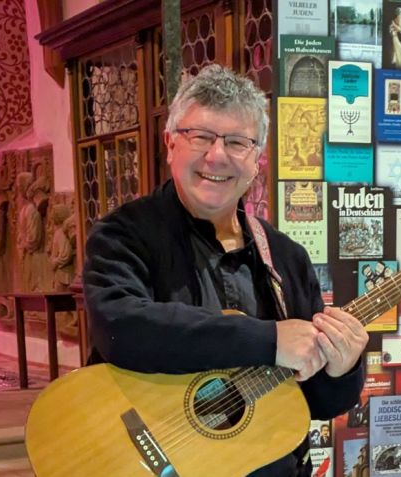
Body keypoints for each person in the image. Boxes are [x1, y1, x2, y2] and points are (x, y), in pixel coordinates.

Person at [83, 64, 368, 477]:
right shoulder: (123, 235)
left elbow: (316, 402)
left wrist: (343, 368)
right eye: (200, 136)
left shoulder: (286, 257)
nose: (216, 156)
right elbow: (120, 330)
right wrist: (268, 339)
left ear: (257, 160)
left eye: (237, 142)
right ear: (170, 144)